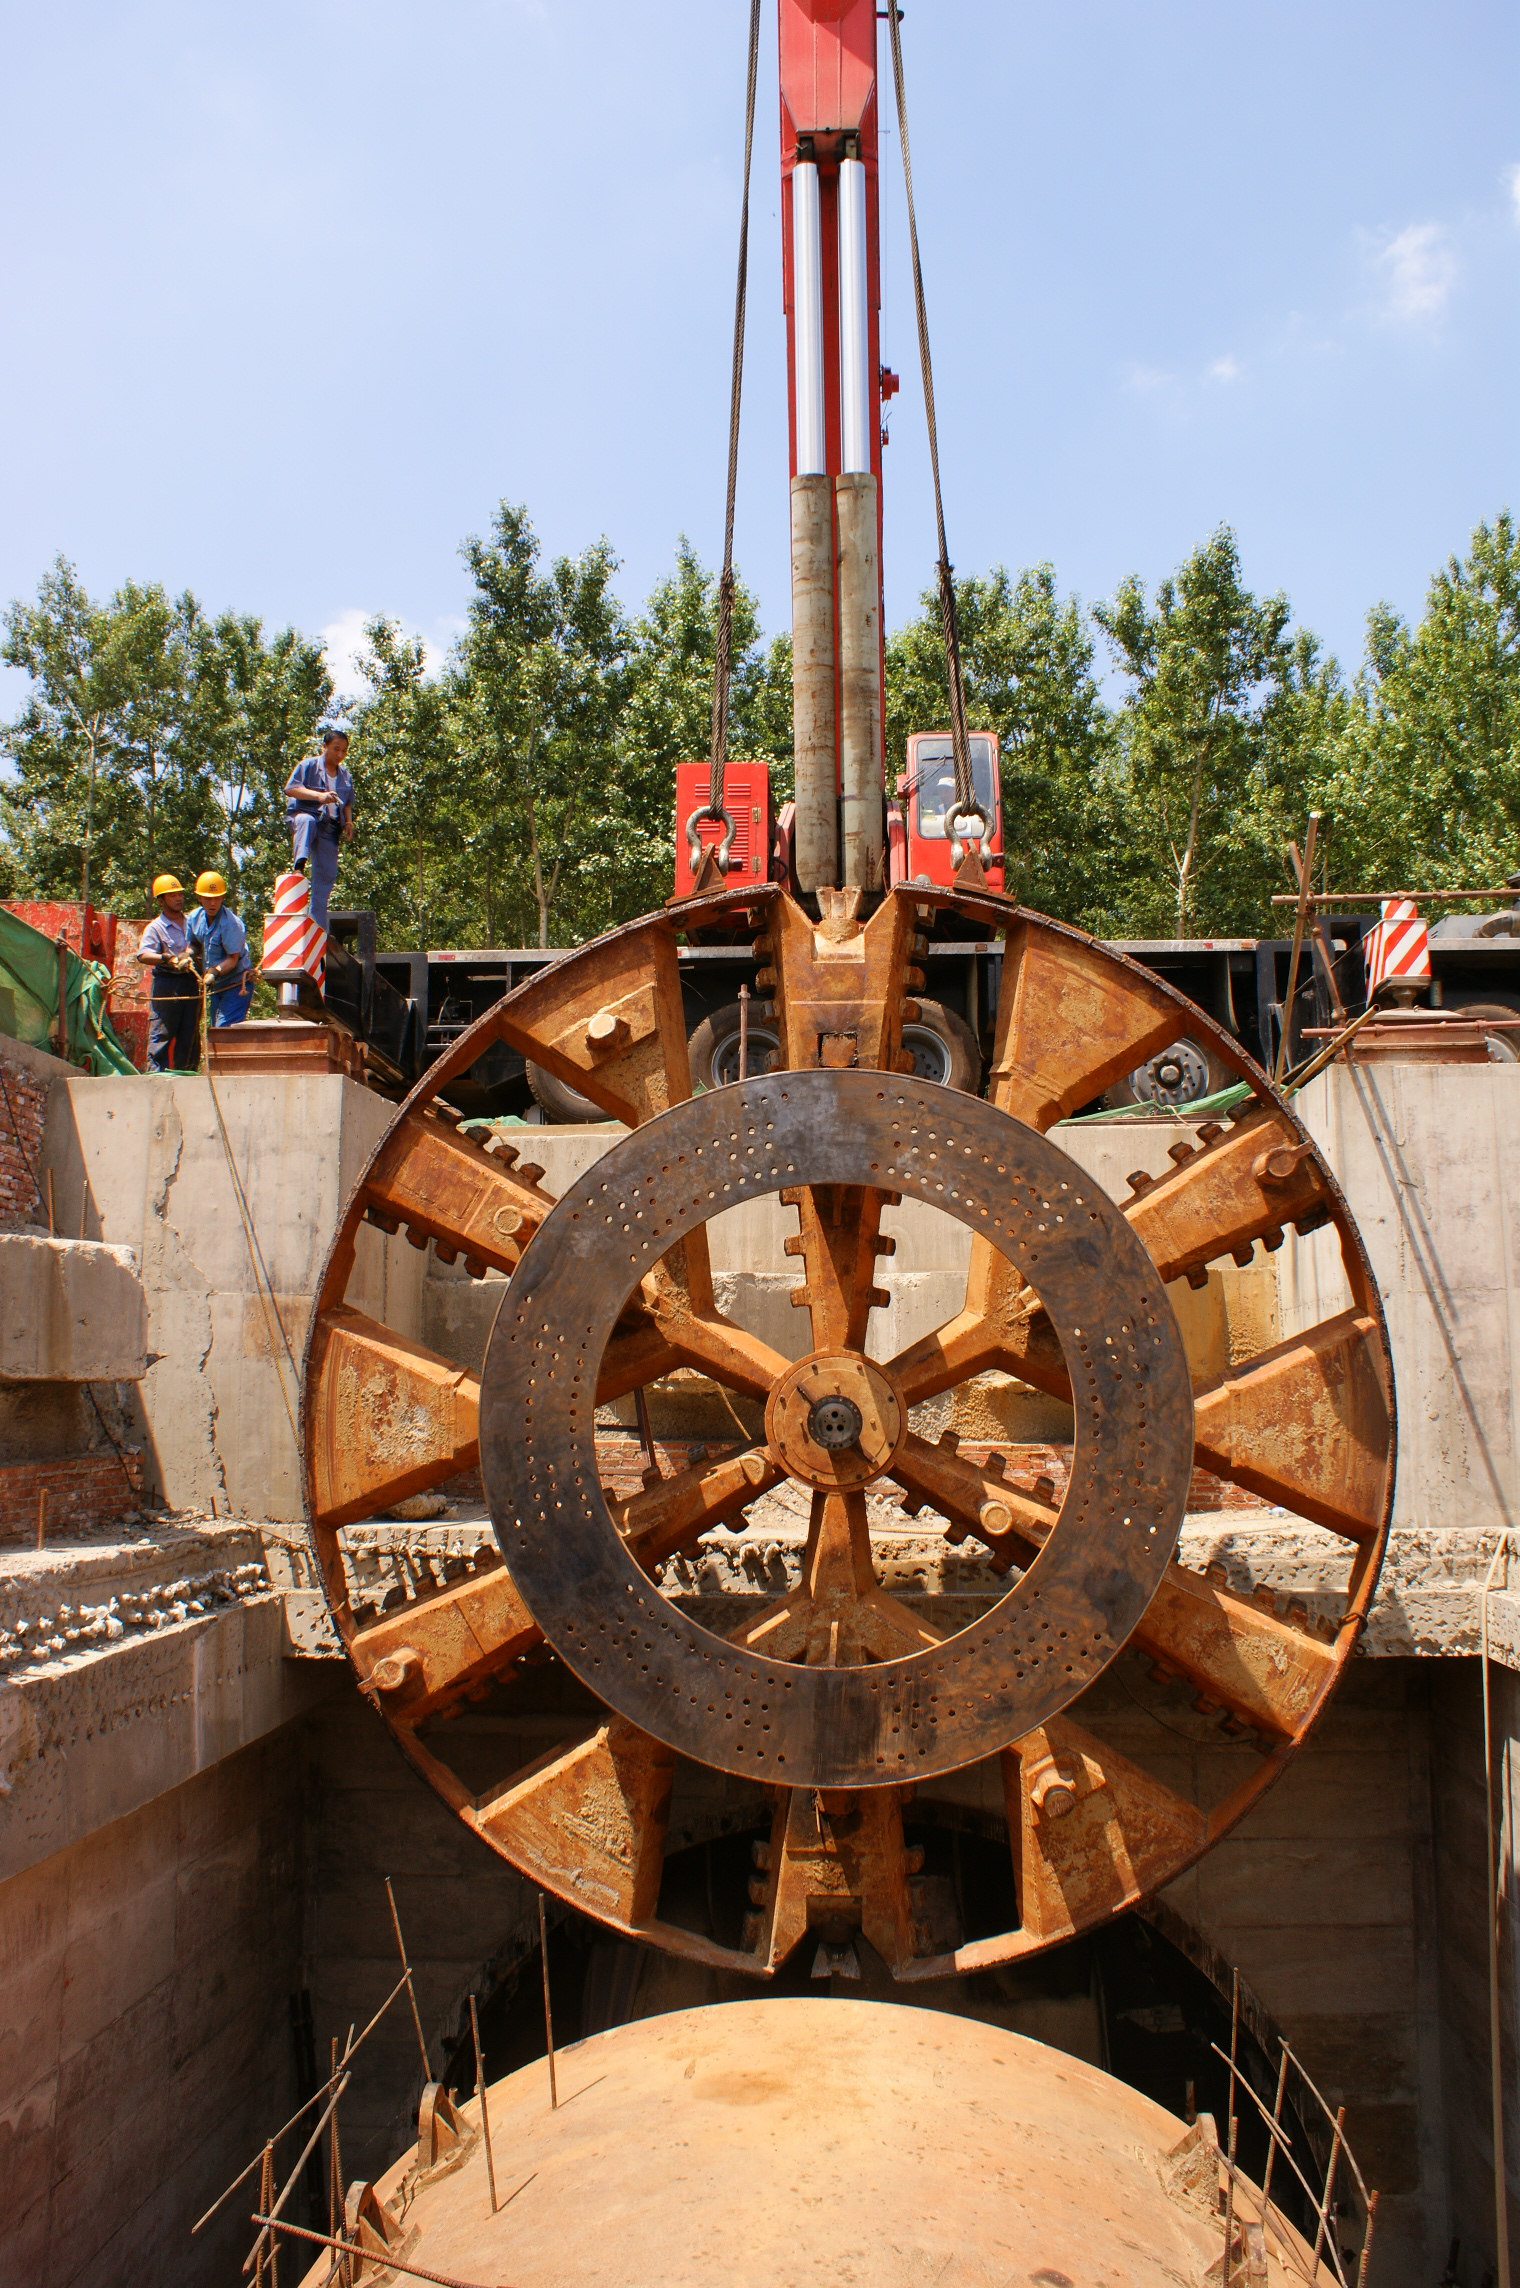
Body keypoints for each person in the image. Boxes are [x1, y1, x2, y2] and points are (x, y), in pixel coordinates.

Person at [284, 727, 354, 929]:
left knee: (326, 877)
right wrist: (319, 796)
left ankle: (318, 928)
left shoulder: (345, 776)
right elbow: (291, 788)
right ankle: (299, 867)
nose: (340, 754)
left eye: (344, 750)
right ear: (324, 746)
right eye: (336, 749)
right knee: (307, 822)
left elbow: (347, 803)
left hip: (330, 827)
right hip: (306, 814)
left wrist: (349, 822)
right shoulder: (308, 766)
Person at [135, 874, 201, 1072]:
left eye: (180, 894)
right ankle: (156, 1076)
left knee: (189, 1034)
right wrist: (167, 958)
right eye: (172, 895)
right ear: (161, 901)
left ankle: (186, 1075)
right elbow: (143, 955)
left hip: (191, 982)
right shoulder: (155, 928)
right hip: (167, 984)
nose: (178, 898)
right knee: (162, 1033)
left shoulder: (192, 922)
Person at [188, 871, 255, 1026]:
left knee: (223, 1029)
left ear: (223, 897)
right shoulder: (194, 918)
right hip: (217, 986)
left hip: (236, 985)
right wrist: (187, 954)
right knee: (215, 1029)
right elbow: (194, 944)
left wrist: (214, 971)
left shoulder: (231, 924)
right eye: (208, 898)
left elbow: (233, 959)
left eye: (217, 898)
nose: (213, 903)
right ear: (199, 897)